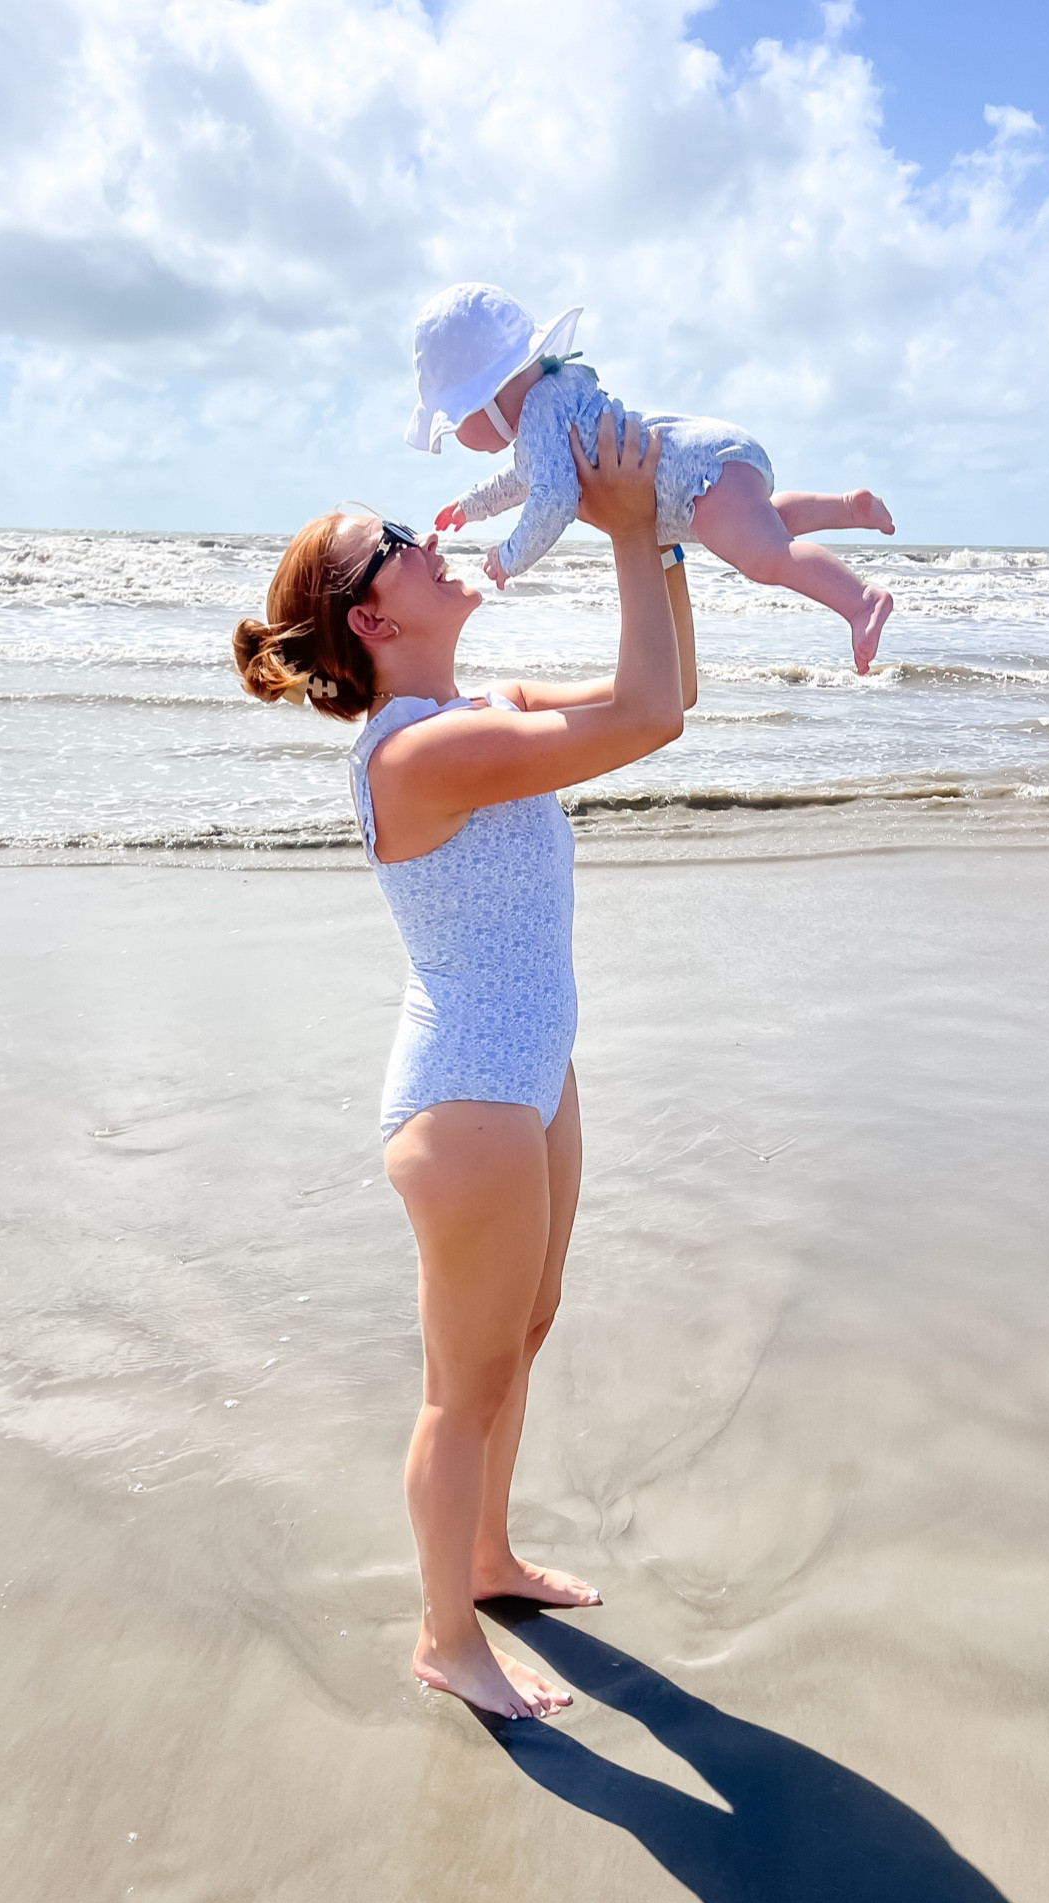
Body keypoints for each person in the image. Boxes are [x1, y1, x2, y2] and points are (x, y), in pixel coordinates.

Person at [231, 415, 691, 1720]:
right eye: (397, 545)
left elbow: (668, 696)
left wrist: (661, 541)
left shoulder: (478, 709)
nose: (434, 538)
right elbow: (649, 714)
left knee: (523, 1337)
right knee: (464, 1386)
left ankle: (486, 1559)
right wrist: (626, 527)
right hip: (469, 1100)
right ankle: (446, 1637)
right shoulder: (421, 752)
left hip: (534, 1068)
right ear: (368, 620)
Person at [409, 280, 894, 676]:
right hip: (708, 468)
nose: (456, 434)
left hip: (696, 476)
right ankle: (847, 508)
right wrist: (472, 505)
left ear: (490, 393)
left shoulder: (540, 412)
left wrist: (510, 557)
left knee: (766, 557)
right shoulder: (550, 403)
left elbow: (552, 498)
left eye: (455, 420)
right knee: (761, 526)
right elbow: (523, 479)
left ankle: (860, 601)